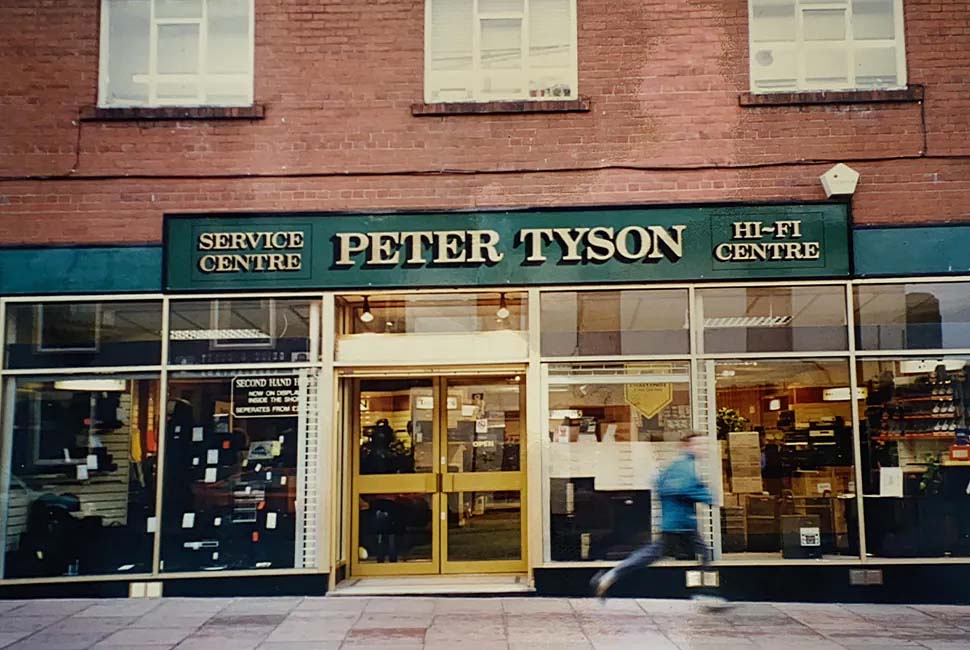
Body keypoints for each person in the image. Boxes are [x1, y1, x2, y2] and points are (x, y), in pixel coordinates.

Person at [590, 431, 726, 606]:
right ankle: (704, 594)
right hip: (680, 524)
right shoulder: (686, 466)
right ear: (687, 446)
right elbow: (680, 488)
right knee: (697, 553)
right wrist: (706, 496)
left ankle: (704, 593)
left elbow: (660, 483)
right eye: (698, 444)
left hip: (678, 523)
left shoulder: (677, 466)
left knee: (661, 554)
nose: (702, 448)